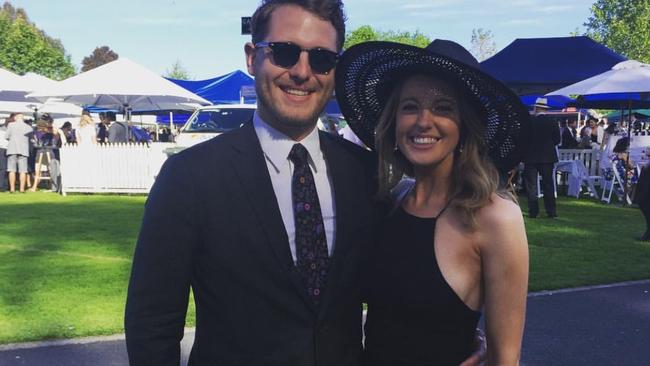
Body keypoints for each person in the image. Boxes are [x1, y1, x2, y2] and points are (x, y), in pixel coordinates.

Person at [125, 1, 378, 365]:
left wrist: (476, 337)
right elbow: (152, 323)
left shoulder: (362, 171)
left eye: (321, 59)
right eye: (284, 52)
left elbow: (397, 288)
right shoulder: (191, 176)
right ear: (251, 57)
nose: (302, 72)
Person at [335, 40, 530, 365]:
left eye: (443, 108)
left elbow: (506, 358)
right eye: (410, 106)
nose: (423, 121)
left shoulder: (495, 218)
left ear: (465, 125)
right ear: (394, 121)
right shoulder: (389, 203)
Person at [522, 99, 561, 218]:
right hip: (547, 157)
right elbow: (557, 140)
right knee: (548, 184)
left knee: (531, 185)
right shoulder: (552, 121)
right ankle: (551, 211)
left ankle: (533, 211)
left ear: (536, 108)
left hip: (531, 157)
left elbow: (524, 139)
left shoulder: (529, 121)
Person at [5, 113, 33, 193]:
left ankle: (12, 189)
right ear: (23, 119)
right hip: (23, 150)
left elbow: (6, 136)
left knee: (11, 170)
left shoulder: (11, 125)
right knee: (23, 170)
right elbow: (31, 139)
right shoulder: (28, 127)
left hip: (12, 149)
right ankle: (22, 189)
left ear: (16, 118)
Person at [0, 116, 9, 191]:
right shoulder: (3, 130)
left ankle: (4, 185)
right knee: (3, 168)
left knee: (4, 168)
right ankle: (3, 186)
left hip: (4, 148)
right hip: (4, 149)